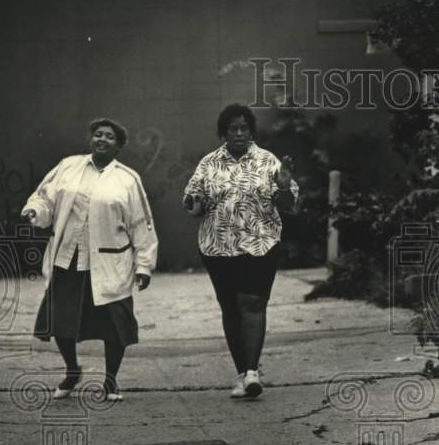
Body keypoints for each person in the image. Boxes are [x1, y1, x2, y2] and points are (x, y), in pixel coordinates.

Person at [22, 118, 158, 401]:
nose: (102, 140)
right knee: (61, 319)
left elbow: (141, 223)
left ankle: (111, 381)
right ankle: (72, 371)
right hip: (67, 258)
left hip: (110, 263)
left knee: (114, 324)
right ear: (90, 139)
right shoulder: (68, 166)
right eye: (98, 134)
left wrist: (144, 264)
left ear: (118, 146)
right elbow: (44, 198)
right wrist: (36, 211)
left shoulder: (128, 179)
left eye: (110, 137)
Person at [183, 104, 298, 399]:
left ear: (251, 131)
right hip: (217, 246)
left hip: (260, 243)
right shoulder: (209, 163)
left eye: (244, 128)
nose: (238, 133)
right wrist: (194, 201)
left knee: (253, 302)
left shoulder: (267, 161)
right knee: (231, 307)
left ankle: (252, 372)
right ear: (224, 132)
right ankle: (240, 373)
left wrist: (284, 188)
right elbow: (193, 204)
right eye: (233, 128)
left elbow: (288, 205)